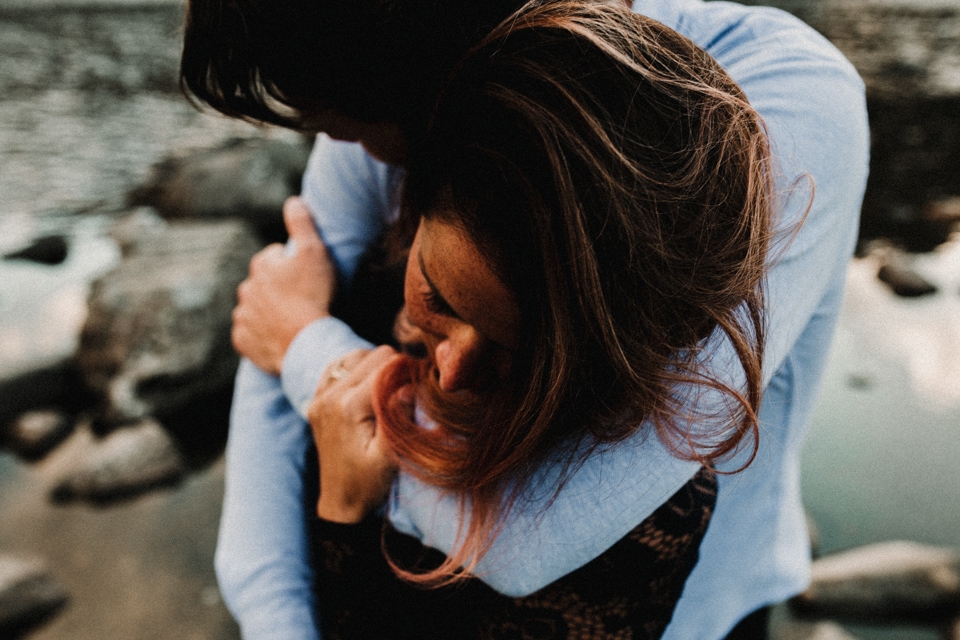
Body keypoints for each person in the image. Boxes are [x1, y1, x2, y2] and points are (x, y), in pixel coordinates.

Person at [179, 0, 869, 637]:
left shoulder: (772, 110)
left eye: (349, 123)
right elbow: (268, 370)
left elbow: (532, 532)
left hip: (696, 617)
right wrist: (279, 621)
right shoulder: (399, 103)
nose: (351, 150)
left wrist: (310, 352)